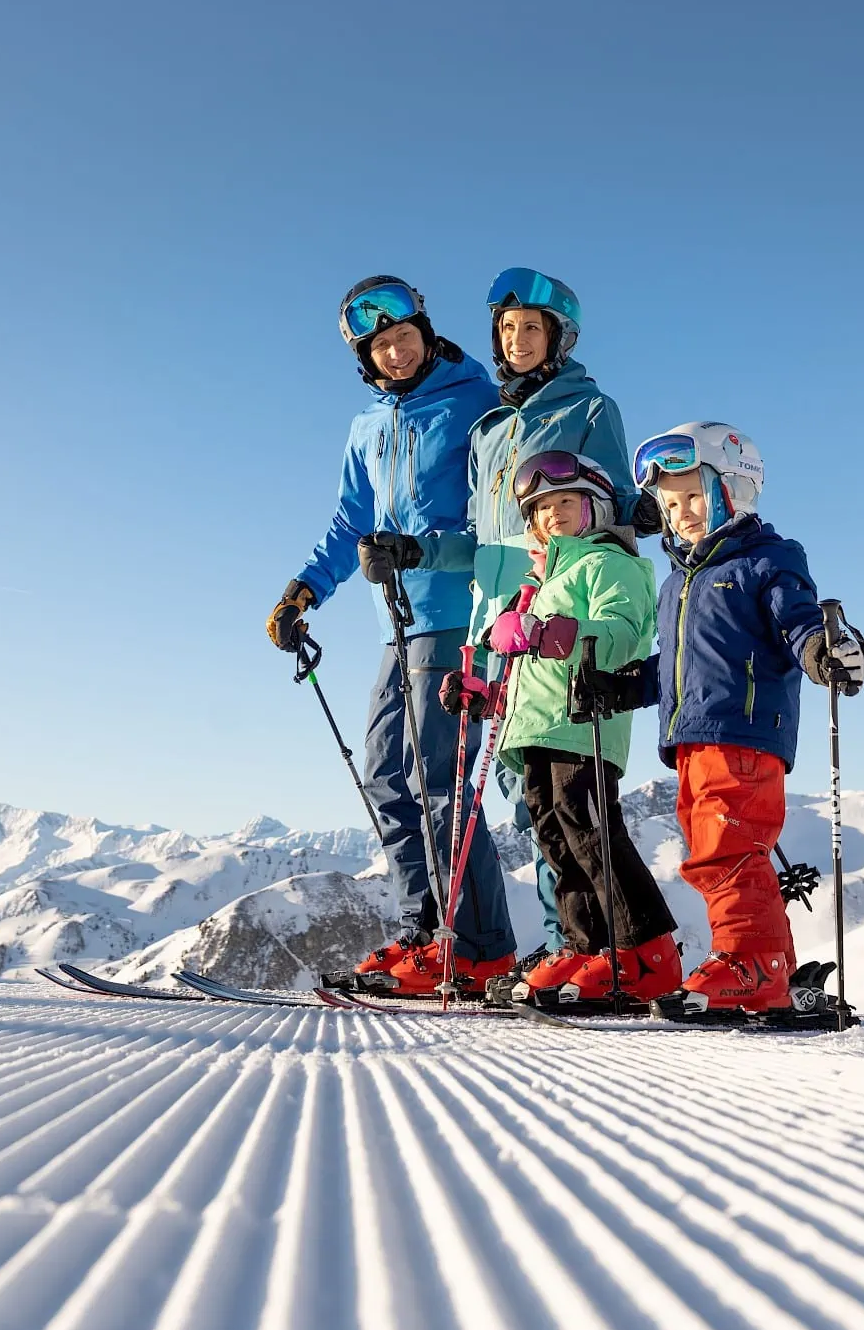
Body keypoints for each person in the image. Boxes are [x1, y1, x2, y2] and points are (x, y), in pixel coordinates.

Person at [368, 268, 637, 970]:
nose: (517, 340)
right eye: (508, 328)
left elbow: (614, 504)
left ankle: (578, 944)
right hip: (494, 623)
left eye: (531, 328)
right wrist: (418, 548)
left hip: (556, 614)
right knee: (508, 780)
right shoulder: (491, 428)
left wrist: (625, 557)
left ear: (558, 337)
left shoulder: (588, 409)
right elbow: (486, 538)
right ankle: (544, 948)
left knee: (544, 790)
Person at [265, 275, 518, 995]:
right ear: (366, 359)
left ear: (427, 331)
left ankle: (479, 947)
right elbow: (351, 525)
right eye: (381, 346)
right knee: (384, 774)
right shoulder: (366, 428)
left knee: (439, 781)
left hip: (456, 612)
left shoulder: (475, 403)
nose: (397, 352)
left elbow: (501, 515)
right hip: (396, 625)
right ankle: (426, 929)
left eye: (405, 336)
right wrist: (304, 590)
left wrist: (422, 549)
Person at [568, 423, 864, 1014]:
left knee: (726, 852)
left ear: (733, 489)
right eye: (670, 501)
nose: (680, 512)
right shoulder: (680, 581)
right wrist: (620, 686)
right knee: (715, 848)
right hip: (690, 738)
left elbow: (799, 620)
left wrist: (820, 651)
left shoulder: (768, 560)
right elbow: (677, 669)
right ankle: (769, 963)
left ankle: (750, 964)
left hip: (743, 731)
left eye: (694, 496)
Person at [445, 449, 679, 1008]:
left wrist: (554, 632)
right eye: (541, 508)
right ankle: (584, 945)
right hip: (535, 729)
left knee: (589, 830)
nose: (553, 514)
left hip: (584, 721)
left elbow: (624, 634)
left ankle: (644, 952)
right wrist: (488, 693)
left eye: (565, 501)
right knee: (553, 836)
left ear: (593, 506)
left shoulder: (608, 564)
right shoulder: (536, 583)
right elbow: (528, 669)